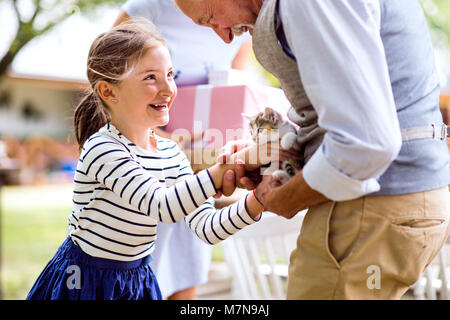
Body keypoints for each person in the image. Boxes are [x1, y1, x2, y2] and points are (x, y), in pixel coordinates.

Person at [175, 0, 450, 299]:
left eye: (208, 19)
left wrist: (286, 198)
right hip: (403, 199)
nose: (225, 38)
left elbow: (366, 143)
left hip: (371, 207)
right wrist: (276, 153)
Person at [26, 21, 265, 300]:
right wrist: (223, 169)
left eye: (170, 74)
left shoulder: (170, 152)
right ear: (109, 92)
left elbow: (207, 227)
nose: (168, 89)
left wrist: (258, 199)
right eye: (151, 77)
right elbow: (161, 205)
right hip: (85, 282)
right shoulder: (103, 149)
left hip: (135, 280)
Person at [112, 0, 252, 300]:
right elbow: (108, 90)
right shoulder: (147, 10)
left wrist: (253, 194)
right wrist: (159, 141)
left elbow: (234, 95)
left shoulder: (242, 22)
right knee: (141, 274)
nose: (226, 34)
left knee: (186, 271)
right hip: (145, 168)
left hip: (197, 171)